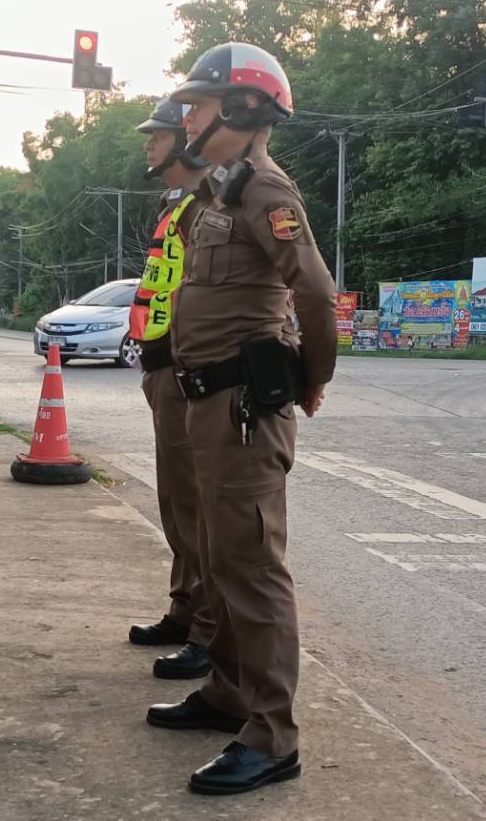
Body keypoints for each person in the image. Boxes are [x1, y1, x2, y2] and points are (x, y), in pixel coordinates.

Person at [144, 42, 336, 797]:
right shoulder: (215, 194)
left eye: (198, 104)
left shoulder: (264, 190)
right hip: (209, 405)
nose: (187, 117)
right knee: (220, 559)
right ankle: (227, 692)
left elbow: (314, 293)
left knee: (252, 568)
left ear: (244, 108)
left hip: (245, 409)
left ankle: (272, 734)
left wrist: (311, 379)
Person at [126, 97, 216, 681]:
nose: (150, 145)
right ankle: (185, 608)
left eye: (157, 136)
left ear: (184, 144)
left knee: (196, 507)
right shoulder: (176, 204)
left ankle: (208, 628)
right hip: (163, 370)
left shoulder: (208, 204)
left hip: (187, 373)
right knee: (175, 502)